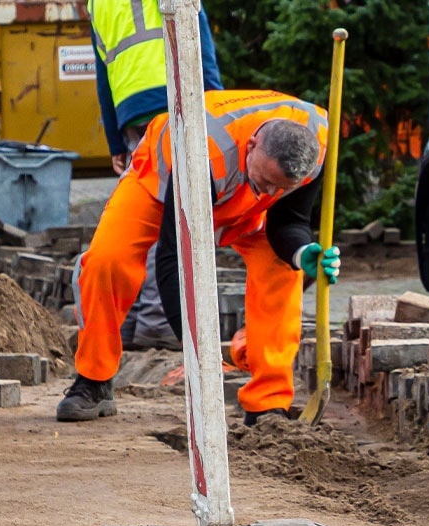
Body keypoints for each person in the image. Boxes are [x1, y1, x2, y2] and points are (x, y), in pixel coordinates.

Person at [61, 90, 338, 423]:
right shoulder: (202, 151)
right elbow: (173, 258)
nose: (270, 194)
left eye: (280, 188)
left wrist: (301, 252)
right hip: (162, 184)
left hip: (240, 197)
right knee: (108, 260)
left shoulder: (318, 144)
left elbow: (288, 221)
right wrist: (195, 351)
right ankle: (93, 379)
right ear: (251, 146)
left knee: (281, 272)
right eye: (265, 181)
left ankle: (268, 403)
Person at [90, 0, 223, 352]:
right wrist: (217, 109)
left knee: (138, 218)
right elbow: (198, 39)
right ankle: (157, 320)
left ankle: (131, 321)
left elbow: (102, 73)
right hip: (174, 94)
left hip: (131, 110)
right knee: (169, 220)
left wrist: (115, 139)